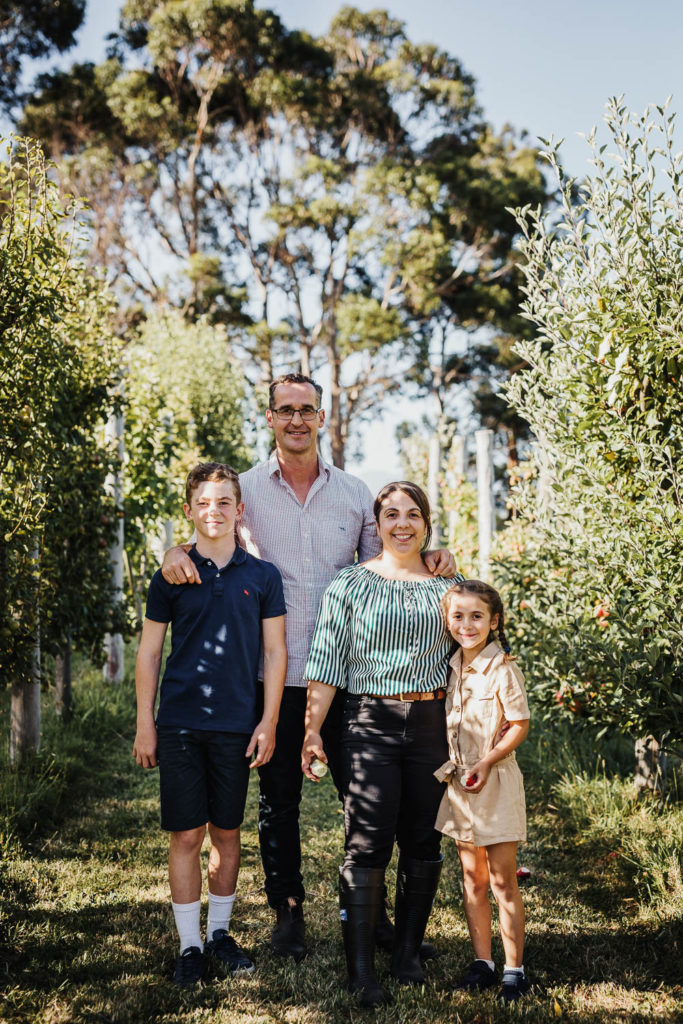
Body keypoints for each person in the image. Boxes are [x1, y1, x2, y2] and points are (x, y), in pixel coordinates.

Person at [161, 374, 457, 962]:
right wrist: (172, 552)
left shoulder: (353, 492)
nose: (296, 420)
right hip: (268, 677)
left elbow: (388, 557)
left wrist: (432, 554)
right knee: (278, 801)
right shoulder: (242, 490)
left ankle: (374, 916)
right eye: (285, 410)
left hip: (349, 676)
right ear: (269, 417)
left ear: (321, 417)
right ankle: (288, 911)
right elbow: (206, 534)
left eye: (307, 410)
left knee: (366, 799)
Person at [302, 482, 462, 1007]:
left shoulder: (449, 586)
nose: (402, 524)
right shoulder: (349, 585)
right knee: (367, 842)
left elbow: (475, 653)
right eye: (391, 514)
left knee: (422, 837)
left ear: (426, 523)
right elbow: (325, 664)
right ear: (377, 523)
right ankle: (362, 972)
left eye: (413, 514)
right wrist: (311, 729)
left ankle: (408, 954)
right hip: (368, 719)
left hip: (432, 723)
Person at [133, 463, 287, 987]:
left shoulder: (262, 577)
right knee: (185, 834)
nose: (214, 511)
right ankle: (190, 945)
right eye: (204, 502)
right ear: (189, 510)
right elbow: (150, 652)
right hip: (179, 722)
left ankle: (220, 933)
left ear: (239, 510)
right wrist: (145, 723)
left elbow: (275, 650)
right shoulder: (171, 575)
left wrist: (268, 721)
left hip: (237, 724)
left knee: (226, 831)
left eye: (224, 502)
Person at [434, 580, 530, 1003]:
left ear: (493, 621)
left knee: (501, 880)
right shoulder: (451, 665)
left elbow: (519, 725)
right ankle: (483, 962)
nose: (467, 624)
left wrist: (487, 761)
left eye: (477, 616)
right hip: (460, 784)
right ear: (447, 620)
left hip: (494, 783)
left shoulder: (503, 668)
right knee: (471, 879)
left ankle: (514, 969)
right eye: (458, 616)